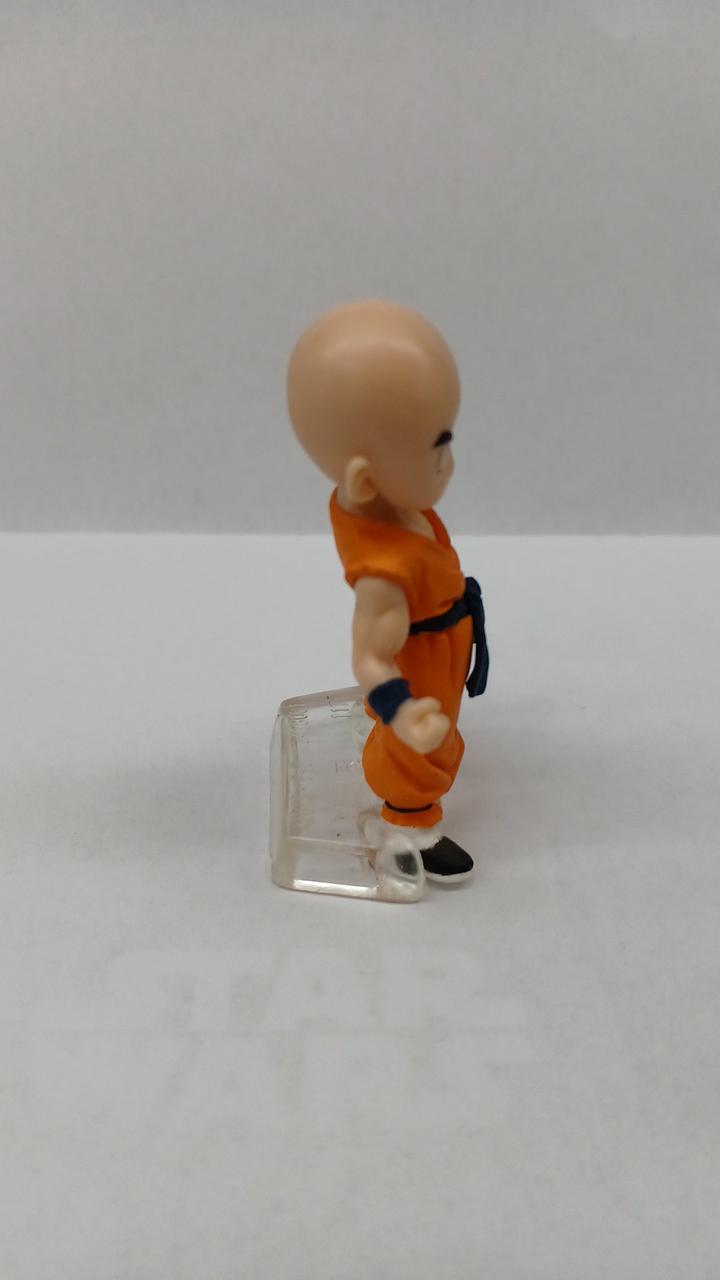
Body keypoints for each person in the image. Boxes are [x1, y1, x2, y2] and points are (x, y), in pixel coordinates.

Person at [287, 300, 488, 883]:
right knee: (419, 759)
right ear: (366, 479)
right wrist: (402, 710)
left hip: (443, 649)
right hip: (419, 661)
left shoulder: (397, 509)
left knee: (439, 747)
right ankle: (406, 828)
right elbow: (371, 656)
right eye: (436, 450)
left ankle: (409, 806)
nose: (450, 464)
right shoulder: (384, 571)